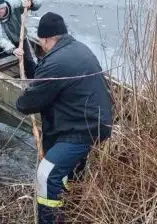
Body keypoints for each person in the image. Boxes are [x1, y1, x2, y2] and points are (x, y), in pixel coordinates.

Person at [14, 12, 113, 223]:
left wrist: (21, 100)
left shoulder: (56, 63)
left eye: (41, 42)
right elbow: (45, 77)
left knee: (46, 175)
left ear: (47, 39)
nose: (41, 45)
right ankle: (73, 203)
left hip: (79, 129)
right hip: (94, 122)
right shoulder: (78, 49)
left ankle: (49, 219)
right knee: (67, 171)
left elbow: (29, 103)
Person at [0, 0, 42, 79]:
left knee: (30, 63)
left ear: (4, 7)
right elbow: (0, 37)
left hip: (19, 38)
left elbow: (38, 1)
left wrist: (31, 3)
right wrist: (13, 50)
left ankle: (32, 81)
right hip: (2, 41)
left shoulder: (16, 4)